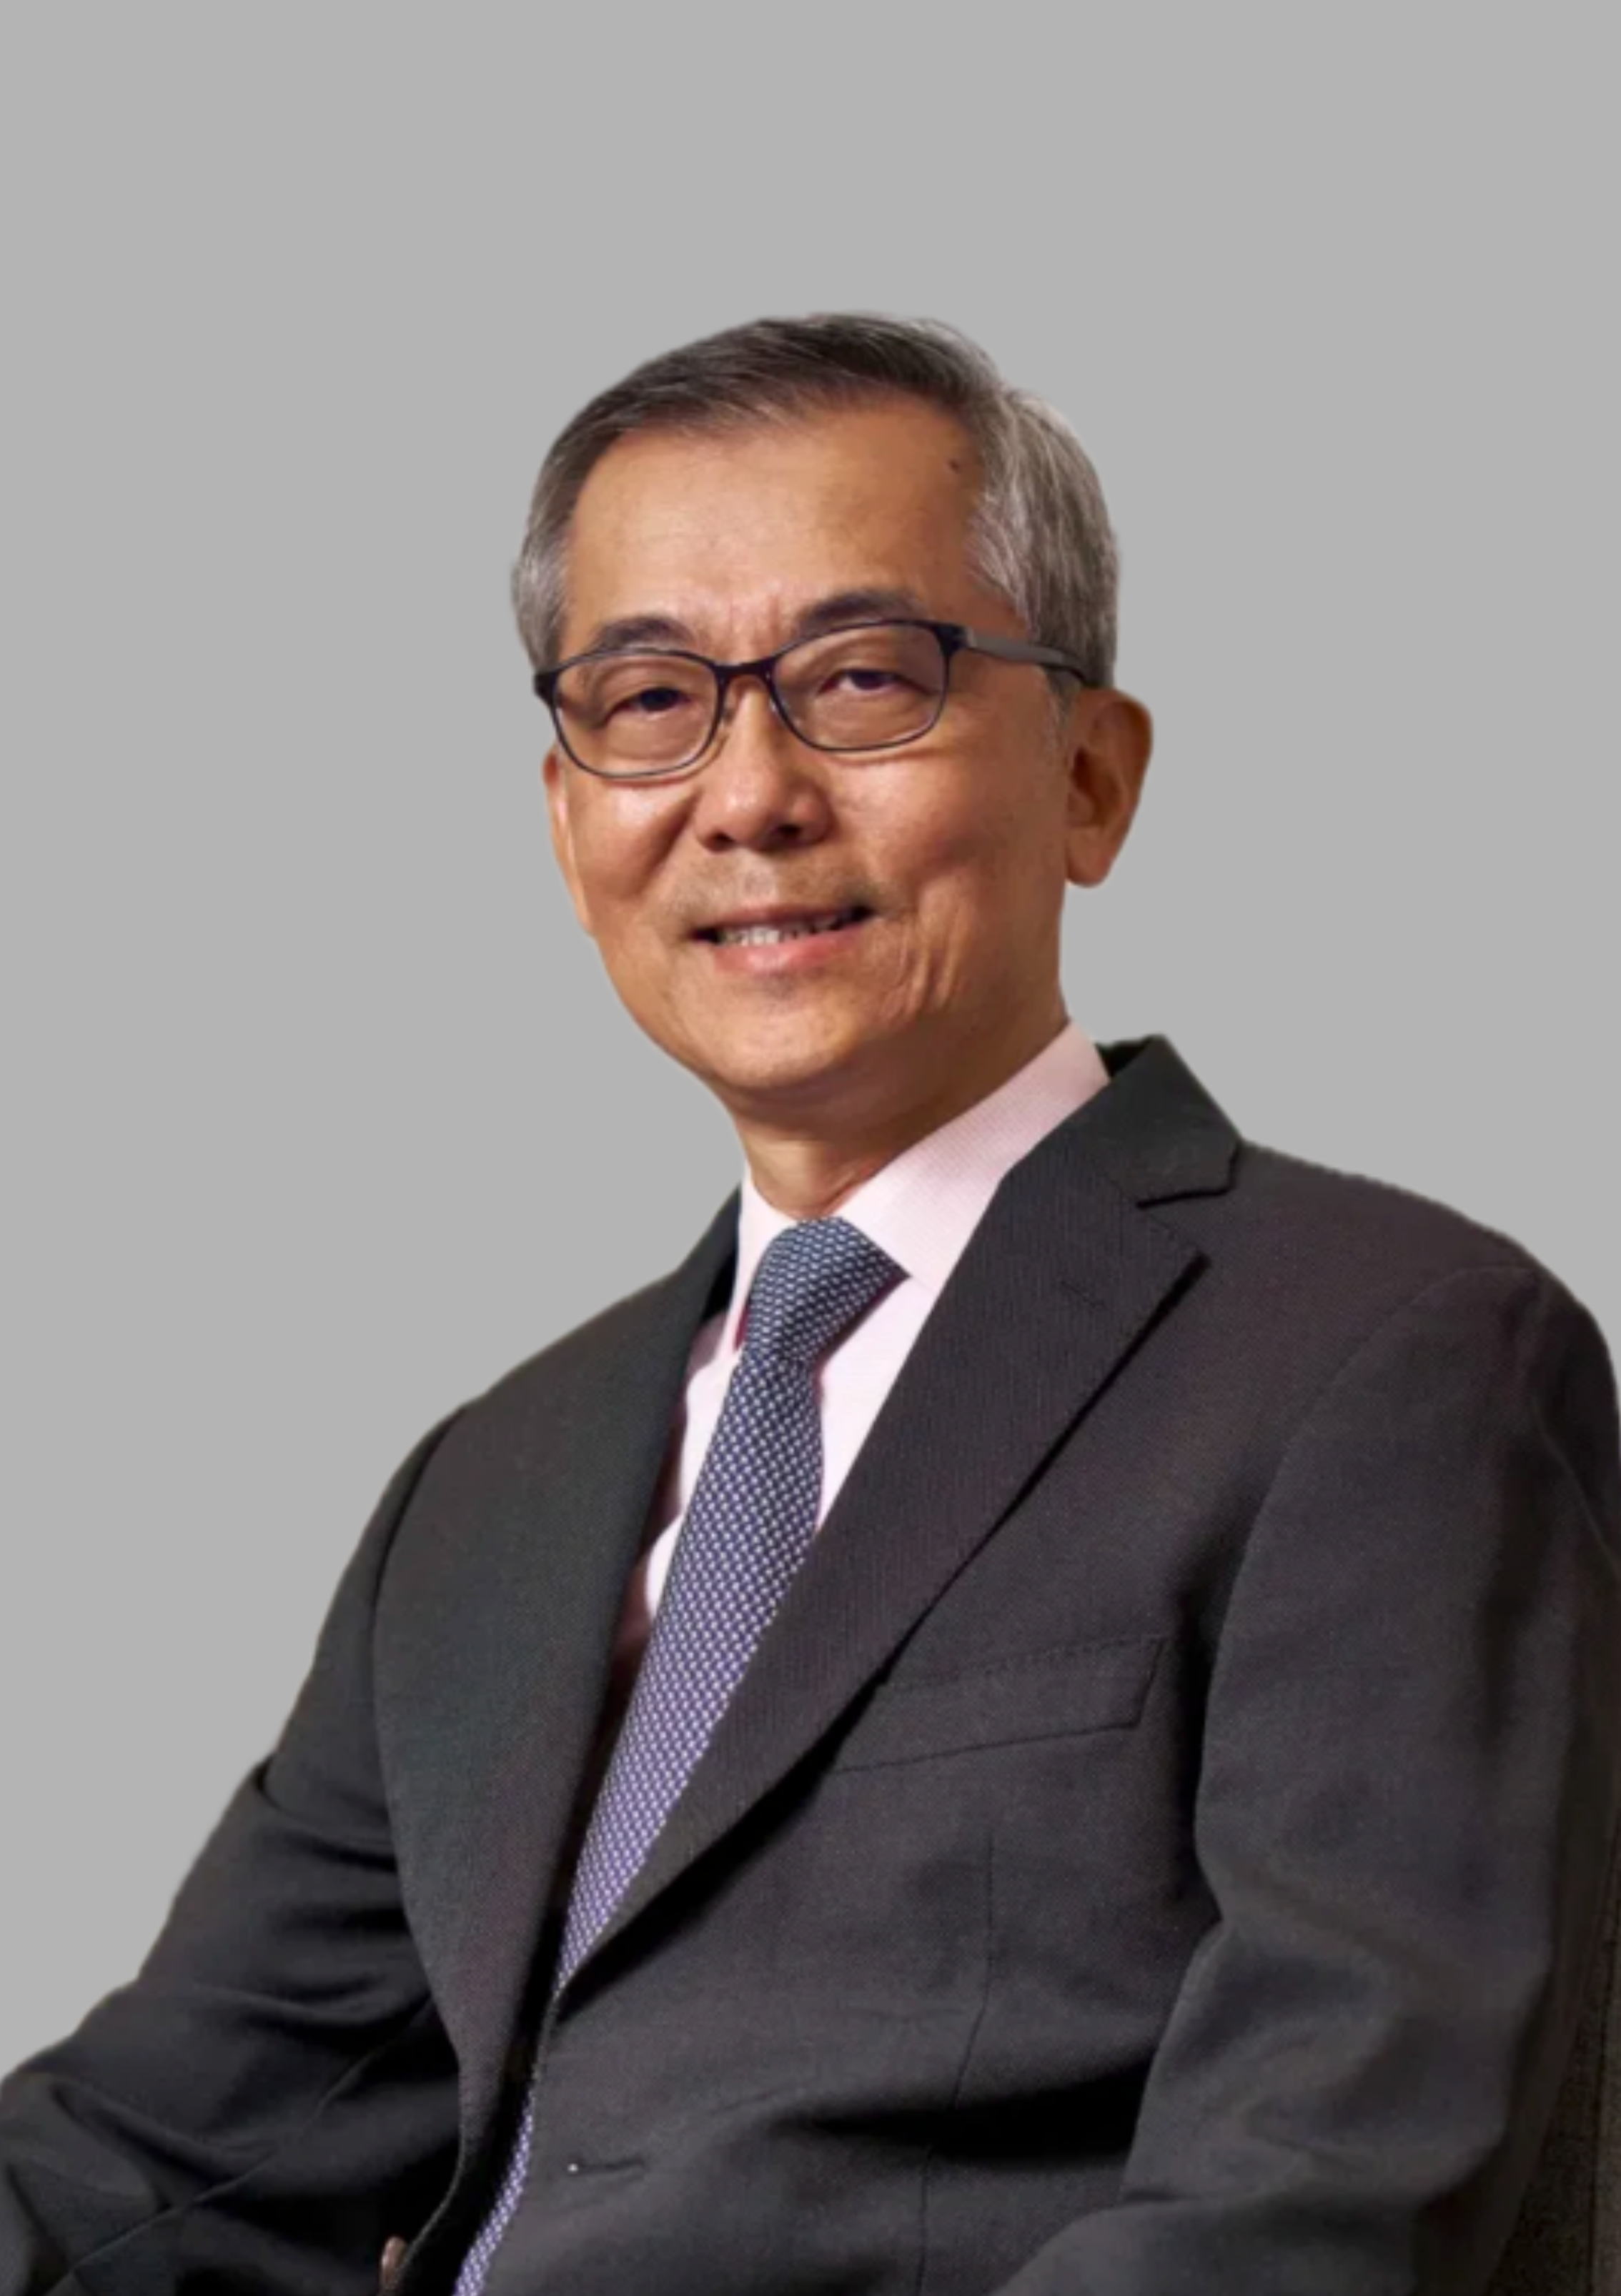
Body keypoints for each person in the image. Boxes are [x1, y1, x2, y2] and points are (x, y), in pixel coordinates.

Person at [2, 312, 1617, 2296]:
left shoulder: (1389, 1357)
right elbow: (158, 2158)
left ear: (1093, 778)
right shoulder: (491, 1486)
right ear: (565, 817)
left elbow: (1324, 2195)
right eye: (649, 697)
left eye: (861, 681)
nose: (745, 793)